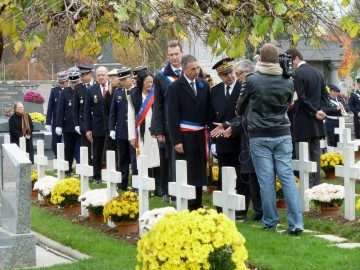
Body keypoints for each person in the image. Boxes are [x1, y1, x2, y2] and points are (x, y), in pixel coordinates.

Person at [236, 43, 303, 234]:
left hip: (260, 134)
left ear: (261, 60)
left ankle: (271, 221)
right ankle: (296, 222)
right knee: (287, 177)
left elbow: (240, 107)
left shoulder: (252, 80)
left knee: (266, 180)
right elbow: (289, 103)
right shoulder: (288, 80)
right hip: (282, 132)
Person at [166, 54, 211, 211]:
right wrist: (176, 140)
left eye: (197, 68)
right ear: (184, 69)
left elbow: (208, 110)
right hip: (184, 136)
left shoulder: (204, 85)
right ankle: (187, 202)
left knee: (198, 170)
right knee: (187, 170)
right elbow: (172, 116)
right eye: (193, 69)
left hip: (200, 135)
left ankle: (197, 202)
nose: (196, 71)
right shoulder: (175, 88)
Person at [285, 48, 329, 188]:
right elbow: (325, 96)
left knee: (303, 156)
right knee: (315, 155)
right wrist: (321, 111)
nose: (291, 65)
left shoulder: (298, 73)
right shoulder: (317, 72)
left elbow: (302, 97)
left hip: (303, 122)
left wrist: (314, 112)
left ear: (297, 58)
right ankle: (316, 185)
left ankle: (307, 187)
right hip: (316, 123)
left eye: (291, 62)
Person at [209, 57, 243, 218]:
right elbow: (211, 118)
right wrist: (213, 141)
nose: (229, 76)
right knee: (223, 173)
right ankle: (222, 207)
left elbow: (244, 114)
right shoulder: (215, 91)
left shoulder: (243, 88)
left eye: (230, 72)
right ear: (220, 76)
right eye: (225, 74)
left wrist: (231, 126)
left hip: (238, 138)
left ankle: (239, 209)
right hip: (221, 139)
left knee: (239, 174)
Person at [153, 40, 183, 202]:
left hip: (188, 125)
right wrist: (159, 130)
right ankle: (172, 192)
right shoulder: (161, 77)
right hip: (168, 125)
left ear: (182, 54)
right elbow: (157, 104)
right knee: (171, 160)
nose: (174, 58)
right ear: (167, 56)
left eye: (177, 54)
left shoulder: (191, 71)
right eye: (171, 55)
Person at [232, 59, 263, 221]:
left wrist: (232, 127)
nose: (237, 78)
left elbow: (248, 115)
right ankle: (259, 210)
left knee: (254, 175)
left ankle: (260, 210)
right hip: (247, 135)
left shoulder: (252, 88)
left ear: (248, 72)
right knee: (251, 175)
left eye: (239, 74)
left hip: (253, 135)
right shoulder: (248, 86)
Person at [128, 71, 161, 194]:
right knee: (143, 161)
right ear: (141, 82)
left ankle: (158, 189)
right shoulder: (134, 96)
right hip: (140, 134)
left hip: (155, 133)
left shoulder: (156, 94)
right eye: (147, 82)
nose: (150, 84)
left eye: (151, 82)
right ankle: (143, 187)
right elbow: (131, 118)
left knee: (157, 161)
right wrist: (131, 137)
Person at [109, 67, 133, 190]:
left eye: (124, 79)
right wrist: (112, 128)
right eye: (121, 79)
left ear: (131, 78)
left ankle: (136, 184)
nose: (122, 82)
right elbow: (113, 112)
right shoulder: (118, 93)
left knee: (134, 159)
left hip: (134, 132)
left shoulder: (136, 92)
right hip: (122, 130)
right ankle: (122, 183)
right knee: (122, 158)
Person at [84, 66, 109, 184]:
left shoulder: (113, 88)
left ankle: (111, 174)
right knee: (97, 151)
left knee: (111, 151)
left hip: (111, 126)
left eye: (103, 75)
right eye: (98, 75)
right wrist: (88, 129)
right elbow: (87, 111)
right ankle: (97, 176)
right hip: (97, 126)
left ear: (107, 75)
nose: (101, 77)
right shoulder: (91, 90)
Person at [56, 67, 81, 177]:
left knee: (82, 149)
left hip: (81, 126)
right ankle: (68, 169)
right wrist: (59, 125)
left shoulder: (83, 90)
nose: (74, 84)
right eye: (72, 82)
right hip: (69, 126)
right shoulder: (65, 92)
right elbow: (60, 110)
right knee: (69, 149)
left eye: (76, 82)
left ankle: (81, 169)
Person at [45, 71, 69, 158]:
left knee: (68, 144)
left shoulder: (70, 91)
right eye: (60, 83)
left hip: (67, 122)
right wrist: (48, 122)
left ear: (67, 81)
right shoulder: (54, 91)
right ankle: (58, 158)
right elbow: (50, 108)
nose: (62, 85)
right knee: (54, 144)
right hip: (56, 121)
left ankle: (66, 161)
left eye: (63, 83)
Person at [73, 70, 92, 164]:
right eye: (81, 75)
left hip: (95, 122)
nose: (81, 78)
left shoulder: (96, 86)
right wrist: (76, 124)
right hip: (83, 121)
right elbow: (75, 108)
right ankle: (86, 166)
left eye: (83, 75)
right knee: (85, 147)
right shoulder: (78, 88)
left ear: (90, 75)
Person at [324, 84, 349, 152]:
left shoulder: (340, 98)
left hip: (340, 121)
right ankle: (331, 154)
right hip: (331, 121)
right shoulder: (327, 99)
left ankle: (339, 154)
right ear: (330, 91)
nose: (336, 93)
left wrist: (343, 108)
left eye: (337, 92)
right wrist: (336, 108)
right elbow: (326, 110)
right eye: (334, 91)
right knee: (331, 139)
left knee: (339, 139)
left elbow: (347, 107)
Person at [103, 69, 118, 163]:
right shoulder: (109, 94)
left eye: (113, 78)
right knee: (111, 150)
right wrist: (110, 127)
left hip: (121, 125)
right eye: (110, 78)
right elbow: (106, 111)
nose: (111, 80)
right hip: (111, 127)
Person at [348, 75, 360, 140]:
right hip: (358, 117)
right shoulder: (354, 94)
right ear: (358, 84)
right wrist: (357, 112)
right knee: (358, 134)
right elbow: (350, 106)